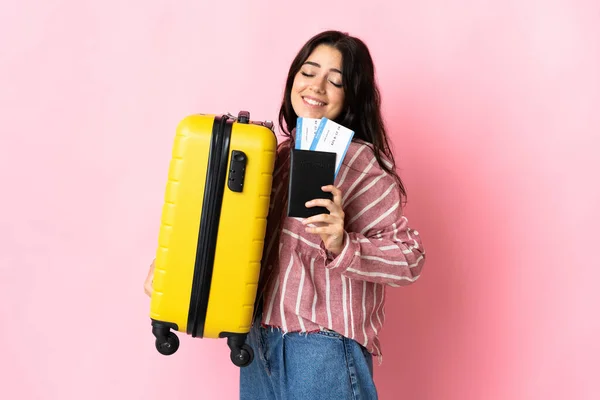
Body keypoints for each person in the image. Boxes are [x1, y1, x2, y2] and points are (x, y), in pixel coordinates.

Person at [144, 30, 426, 400]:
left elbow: (410, 259)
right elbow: (237, 236)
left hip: (322, 346)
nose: (317, 86)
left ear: (351, 95)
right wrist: (173, 270)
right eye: (308, 72)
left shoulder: (361, 163)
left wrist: (343, 243)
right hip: (257, 339)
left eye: (335, 80)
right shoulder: (274, 155)